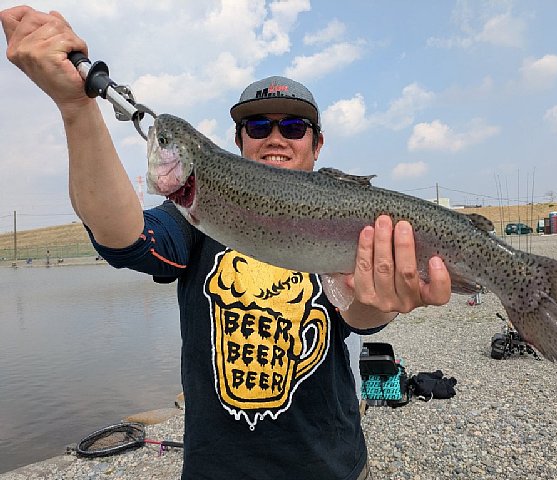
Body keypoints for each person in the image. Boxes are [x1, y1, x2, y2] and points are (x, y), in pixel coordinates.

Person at [1, 6, 452, 480]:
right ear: (239, 141)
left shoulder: (348, 216)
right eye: (258, 127)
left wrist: (379, 302)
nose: (275, 138)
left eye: (293, 128)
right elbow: (124, 238)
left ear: (317, 145)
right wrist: (77, 109)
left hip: (333, 466)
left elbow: (358, 318)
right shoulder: (198, 214)